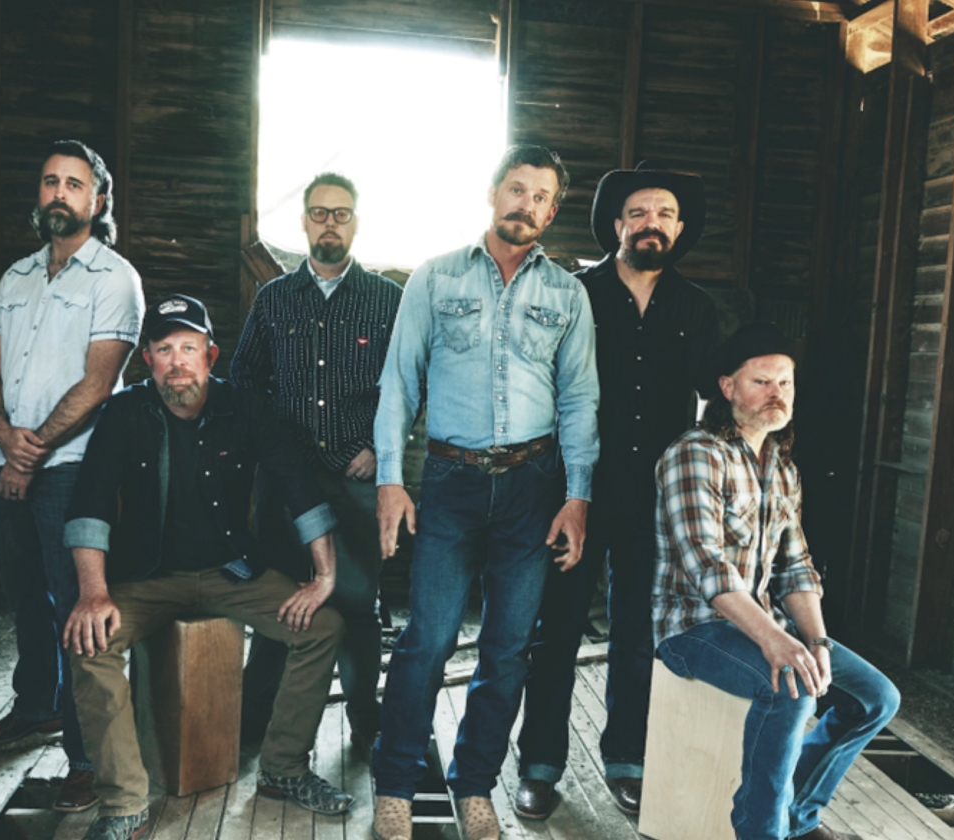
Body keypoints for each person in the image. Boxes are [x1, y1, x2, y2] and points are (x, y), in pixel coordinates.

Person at [371, 146, 600, 840]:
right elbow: (399, 382)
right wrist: (390, 480)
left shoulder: (568, 294)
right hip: (451, 481)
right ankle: (395, 785)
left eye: (540, 196)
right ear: (494, 192)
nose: (525, 204)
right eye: (516, 188)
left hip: (534, 487)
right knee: (429, 638)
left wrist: (578, 497)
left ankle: (474, 785)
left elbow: (579, 400)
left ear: (551, 213)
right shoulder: (436, 277)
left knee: (507, 648)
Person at [62, 295, 353, 840]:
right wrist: (93, 592)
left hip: (232, 573)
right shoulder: (123, 413)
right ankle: (124, 804)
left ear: (210, 355)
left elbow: (300, 488)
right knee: (89, 644)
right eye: (164, 349)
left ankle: (283, 768)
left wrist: (324, 577)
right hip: (146, 578)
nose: (177, 362)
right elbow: (89, 505)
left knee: (325, 626)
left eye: (188, 348)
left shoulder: (246, 408)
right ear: (147, 359)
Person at [515, 163, 719, 818]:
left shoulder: (697, 307)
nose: (651, 223)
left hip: (656, 501)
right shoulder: (575, 294)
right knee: (556, 631)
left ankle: (629, 761)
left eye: (664, 214)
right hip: (574, 492)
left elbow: (715, 402)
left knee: (639, 634)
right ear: (616, 224)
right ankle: (540, 765)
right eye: (638, 212)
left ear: (679, 229)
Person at [654, 322, 900, 840]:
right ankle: (760, 832)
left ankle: (797, 819)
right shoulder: (696, 454)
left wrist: (817, 642)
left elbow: (795, 568)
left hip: (764, 624)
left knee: (876, 698)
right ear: (728, 388)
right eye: (761, 382)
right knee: (790, 687)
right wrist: (775, 640)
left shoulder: (783, 468)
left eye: (784, 383)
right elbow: (707, 566)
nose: (776, 394)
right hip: (693, 629)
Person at [0, 139, 143, 813]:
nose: (59, 193)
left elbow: (99, 384)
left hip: (71, 468)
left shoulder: (114, 279)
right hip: (6, 460)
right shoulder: (15, 278)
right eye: (49, 182)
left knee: (76, 611)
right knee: (23, 596)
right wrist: (3, 437)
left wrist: (32, 451)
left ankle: (85, 757)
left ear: (97, 201)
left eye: (73, 184)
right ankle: (35, 706)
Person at [232, 172, 403, 749]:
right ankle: (256, 720)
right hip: (287, 482)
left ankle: (364, 719)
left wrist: (377, 446)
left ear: (356, 222)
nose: (330, 223)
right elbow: (245, 383)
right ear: (305, 220)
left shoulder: (386, 300)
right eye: (320, 213)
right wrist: (274, 454)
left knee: (357, 605)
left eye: (341, 213)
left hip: (357, 479)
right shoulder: (274, 299)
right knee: (281, 598)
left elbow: (409, 384)